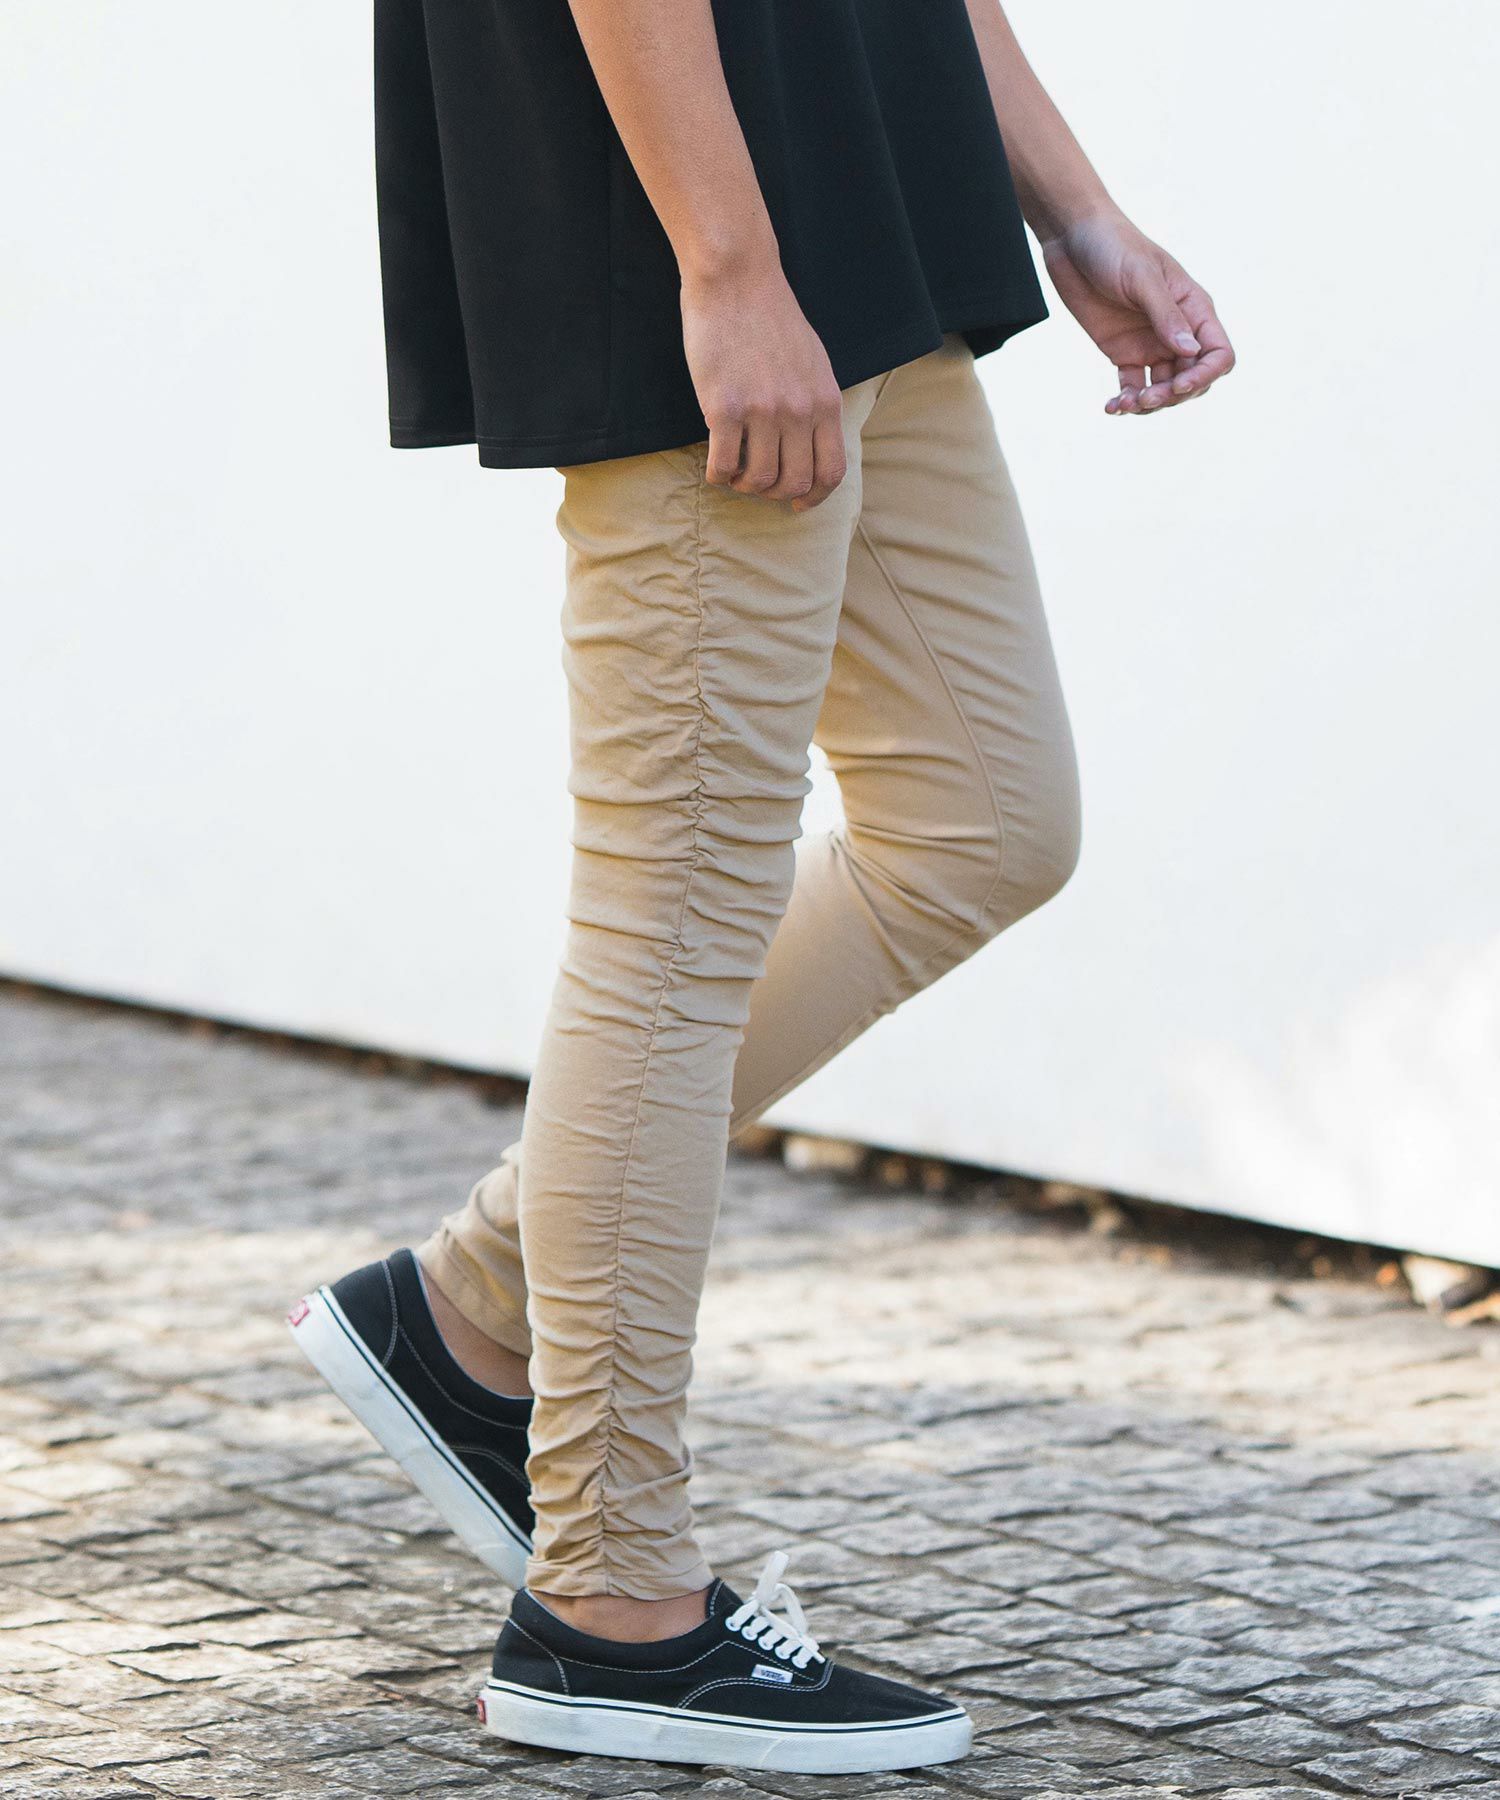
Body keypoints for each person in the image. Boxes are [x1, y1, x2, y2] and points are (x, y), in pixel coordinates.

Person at [290, 0, 1235, 1775]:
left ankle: (476, 1308)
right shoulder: (717, 258)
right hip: (698, 207)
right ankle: (609, 1603)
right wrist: (723, 268)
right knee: (674, 915)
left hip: (864, 188)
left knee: (983, 816)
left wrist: (1075, 205)